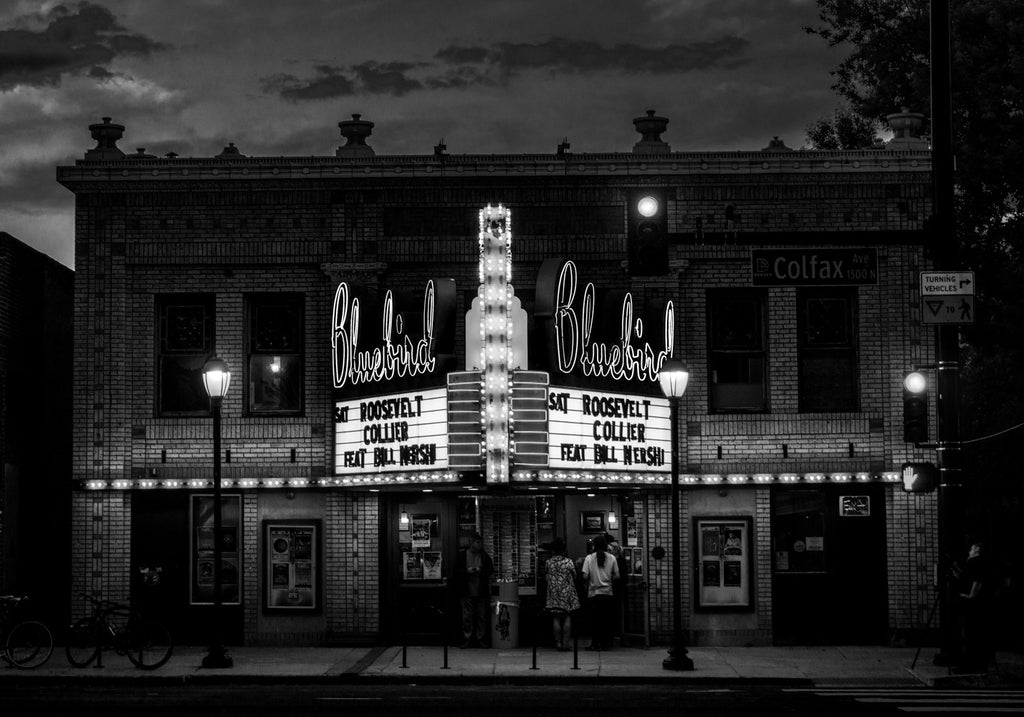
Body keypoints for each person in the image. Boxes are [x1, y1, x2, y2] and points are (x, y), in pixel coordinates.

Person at [955, 541, 995, 672]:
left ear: (977, 550)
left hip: (972, 604)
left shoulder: (975, 562)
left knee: (970, 634)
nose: (969, 552)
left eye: (971, 549)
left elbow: (977, 581)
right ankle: (981, 664)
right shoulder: (986, 562)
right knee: (980, 634)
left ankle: (970, 665)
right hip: (984, 604)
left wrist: (971, 596)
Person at [455, 532, 493, 648]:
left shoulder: (484, 556)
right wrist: (468, 571)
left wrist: (480, 571)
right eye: (478, 542)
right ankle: (468, 638)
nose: (480, 544)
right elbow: (456, 571)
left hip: (480, 591)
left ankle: (480, 638)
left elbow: (490, 570)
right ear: (471, 543)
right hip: (467, 590)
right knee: (467, 616)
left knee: (481, 616)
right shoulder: (462, 556)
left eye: (480, 542)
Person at [582, 534, 620, 650]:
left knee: (595, 621)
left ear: (594, 545)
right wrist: (608, 579)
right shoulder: (612, 558)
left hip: (594, 593)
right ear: (605, 545)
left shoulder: (589, 558)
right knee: (606, 620)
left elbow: (584, 576)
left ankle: (595, 643)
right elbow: (617, 576)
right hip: (607, 593)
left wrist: (592, 578)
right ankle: (606, 644)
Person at [544, 537, 580, 651]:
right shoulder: (568, 562)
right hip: (567, 592)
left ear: (553, 550)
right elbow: (575, 575)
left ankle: (558, 643)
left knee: (556, 618)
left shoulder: (548, 562)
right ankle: (565, 643)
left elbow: (546, 576)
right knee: (567, 617)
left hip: (554, 593)